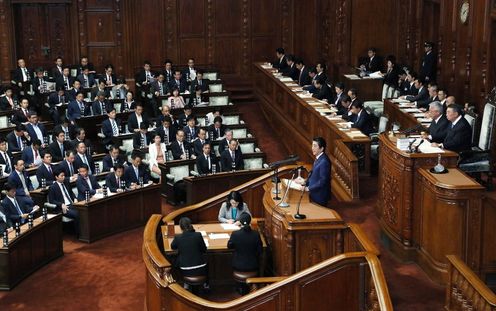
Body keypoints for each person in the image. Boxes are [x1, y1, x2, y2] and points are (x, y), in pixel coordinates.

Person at [227, 212, 263, 295]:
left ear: (240, 222)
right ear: (250, 222)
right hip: (253, 265)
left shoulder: (235, 234)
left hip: (238, 265)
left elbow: (229, 246)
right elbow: (260, 251)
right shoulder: (256, 234)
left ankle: (240, 287)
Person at [170, 217, 208, 290]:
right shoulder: (198, 235)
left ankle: (186, 283)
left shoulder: (178, 237)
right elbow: (204, 250)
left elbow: (173, 247)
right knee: (208, 260)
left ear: (180, 227)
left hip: (185, 268)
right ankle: (206, 284)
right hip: (200, 267)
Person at [298, 137, 331, 207]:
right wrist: (305, 181)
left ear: (322, 149)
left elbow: (323, 181)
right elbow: (313, 175)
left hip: (319, 196)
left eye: (315, 146)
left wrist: (308, 188)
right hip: (313, 193)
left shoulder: (324, 162)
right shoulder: (318, 158)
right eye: (312, 145)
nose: (312, 148)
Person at [48, 168, 80, 233]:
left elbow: (71, 193)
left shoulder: (66, 183)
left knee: (84, 211)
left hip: (72, 204)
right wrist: (61, 204)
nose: (64, 177)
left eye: (64, 175)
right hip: (63, 207)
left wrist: (75, 198)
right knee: (77, 214)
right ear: (56, 177)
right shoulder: (52, 187)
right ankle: (80, 234)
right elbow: (51, 201)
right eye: (61, 176)